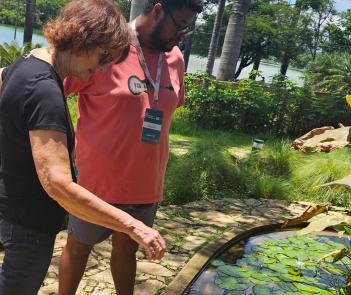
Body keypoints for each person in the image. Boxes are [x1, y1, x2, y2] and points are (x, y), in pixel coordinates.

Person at [0, 0, 166, 294]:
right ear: (82, 37)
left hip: (10, 208)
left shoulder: (26, 63)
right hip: (28, 224)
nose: (102, 69)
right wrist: (133, 225)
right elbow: (58, 184)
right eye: (103, 57)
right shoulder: (45, 92)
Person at [59, 0, 203, 294]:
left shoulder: (175, 58)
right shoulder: (108, 47)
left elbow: (170, 102)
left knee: (127, 252)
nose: (182, 35)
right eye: (180, 25)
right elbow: (53, 87)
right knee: (78, 249)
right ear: (158, 11)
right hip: (95, 185)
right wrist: (63, 139)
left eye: (188, 28)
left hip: (145, 184)